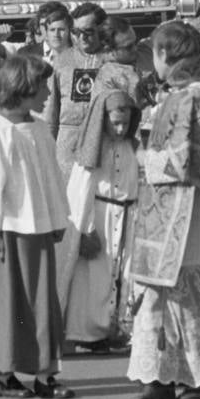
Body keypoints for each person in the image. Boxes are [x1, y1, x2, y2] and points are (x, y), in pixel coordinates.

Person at [127, 20, 200, 399]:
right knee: (157, 295)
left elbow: (184, 158)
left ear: (164, 55)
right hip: (165, 210)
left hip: (189, 210)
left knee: (186, 294)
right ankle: (157, 375)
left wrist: (145, 158)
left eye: (155, 53)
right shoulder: (176, 96)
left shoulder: (193, 97)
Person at [0, 55, 71, 399]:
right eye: (41, 88)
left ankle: (44, 374)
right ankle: (5, 375)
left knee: (41, 302)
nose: (48, 94)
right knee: (6, 304)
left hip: (37, 228)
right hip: (5, 231)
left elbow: (51, 179)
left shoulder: (38, 129)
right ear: (22, 89)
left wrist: (56, 218)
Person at [57, 64, 141, 353]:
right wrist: (84, 230)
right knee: (94, 280)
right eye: (116, 123)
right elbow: (79, 194)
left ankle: (116, 328)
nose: (121, 129)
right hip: (100, 220)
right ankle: (89, 332)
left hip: (126, 218)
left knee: (122, 276)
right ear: (102, 120)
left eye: (126, 123)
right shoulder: (92, 150)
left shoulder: (131, 146)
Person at [42, 1, 109, 188]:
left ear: (101, 30)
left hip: (103, 143)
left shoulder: (113, 60)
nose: (82, 38)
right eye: (76, 32)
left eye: (88, 31)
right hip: (67, 147)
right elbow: (51, 110)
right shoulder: (62, 60)